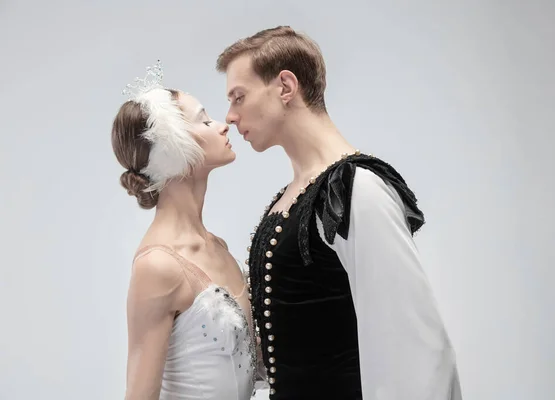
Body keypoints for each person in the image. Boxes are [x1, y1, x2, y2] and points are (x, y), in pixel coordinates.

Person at [215, 27, 462, 399]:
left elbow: (414, 343)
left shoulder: (352, 188)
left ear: (285, 86)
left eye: (239, 96)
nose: (230, 116)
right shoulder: (291, 195)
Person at [111, 60, 258, 400]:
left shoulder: (217, 248)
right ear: (175, 149)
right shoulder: (157, 266)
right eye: (204, 120)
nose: (222, 126)